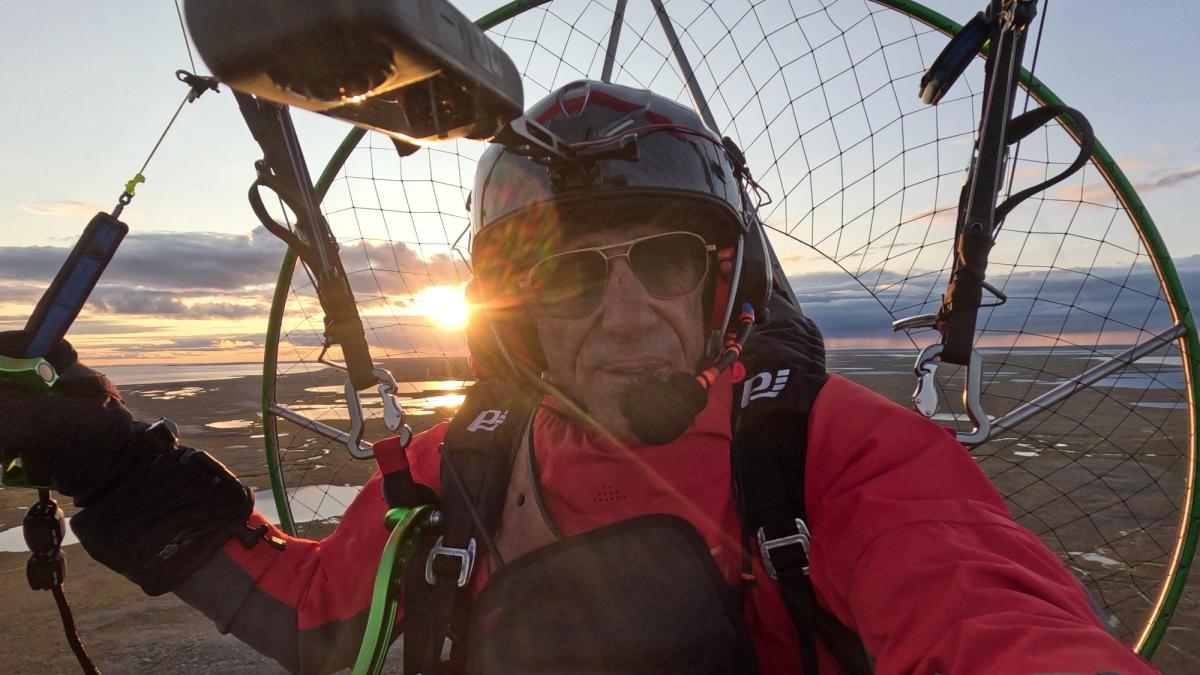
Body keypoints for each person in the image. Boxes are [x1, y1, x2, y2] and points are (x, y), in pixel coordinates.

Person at [0, 80, 1157, 675]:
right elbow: (315, 613)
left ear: (721, 284)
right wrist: (116, 466)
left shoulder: (828, 455)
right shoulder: (461, 463)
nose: (621, 309)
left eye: (659, 260)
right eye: (564, 277)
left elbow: (988, 619)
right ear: (516, 314)